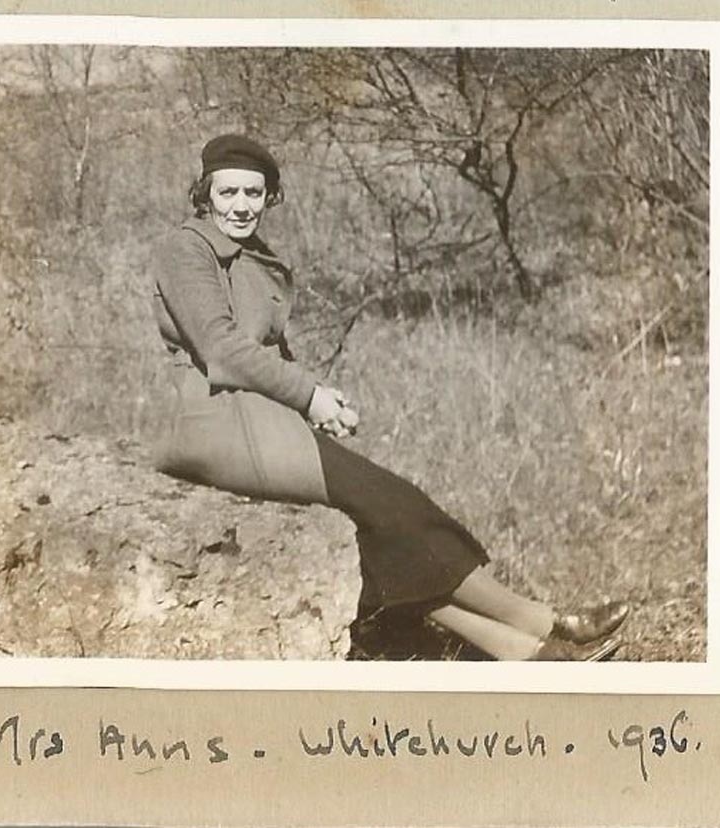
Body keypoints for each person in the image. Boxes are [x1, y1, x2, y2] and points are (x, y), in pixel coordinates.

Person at [151, 134, 629, 661]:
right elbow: (222, 349)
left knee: (378, 535)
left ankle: (522, 651)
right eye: (228, 193)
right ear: (205, 194)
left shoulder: (248, 253)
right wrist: (308, 397)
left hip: (256, 420)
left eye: (254, 193)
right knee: (396, 506)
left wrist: (319, 403)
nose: (242, 206)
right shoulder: (185, 249)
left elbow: (268, 353)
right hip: (214, 423)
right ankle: (545, 621)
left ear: (269, 196)